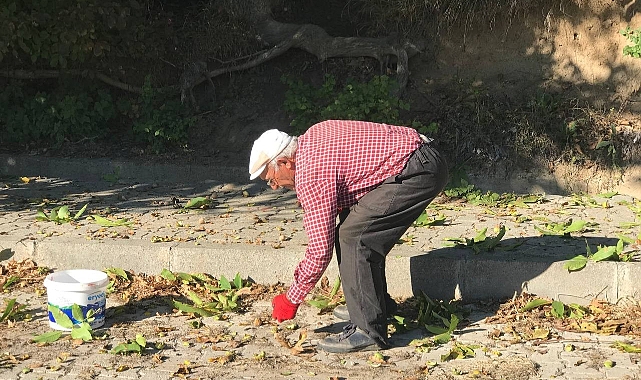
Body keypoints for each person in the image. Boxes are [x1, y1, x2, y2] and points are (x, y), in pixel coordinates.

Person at [248, 120, 448, 353]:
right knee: (352, 226)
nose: (274, 187)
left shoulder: (311, 173)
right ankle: (373, 305)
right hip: (422, 157)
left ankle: (368, 331)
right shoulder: (312, 136)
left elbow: (320, 252)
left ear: (285, 162)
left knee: (355, 237)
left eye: (271, 179)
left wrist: (291, 299)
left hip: (418, 170)